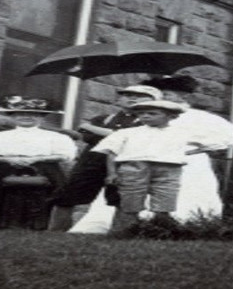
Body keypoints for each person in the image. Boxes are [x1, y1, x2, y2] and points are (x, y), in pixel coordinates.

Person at [47, 84, 160, 232]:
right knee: (67, 196)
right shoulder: (104, 118)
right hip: (92, 162)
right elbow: (85, 135)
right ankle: (56, 232)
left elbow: (127, 137)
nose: (132, 98)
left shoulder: (150, 122)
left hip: (127, 163)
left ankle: (121, 236)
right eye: (127, 95)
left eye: (140, 96)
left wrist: (91, 128)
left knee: (124, 200)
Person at [93, 99, 209, 233]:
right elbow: (111, 152)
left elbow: (212, 144)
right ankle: (125, 232)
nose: (145, 116)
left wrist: (184, 152)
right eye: (141, 113)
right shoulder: (128, 133)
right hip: (134, 167)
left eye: (152, 113)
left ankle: (161, 232)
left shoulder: (181, 133)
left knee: (165, 200)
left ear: (171, 116)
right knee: (130, 201)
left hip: (168, 169)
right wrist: (112, 173)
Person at [0, 96, 78, 230]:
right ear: (12, 116)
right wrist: (8, 159)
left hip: (45, 170)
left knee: (53, 195)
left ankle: (42, 224)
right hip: (4, 169)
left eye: (33, 114)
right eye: (20, 114)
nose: (26, 117)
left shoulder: (56, 137)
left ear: (42, 117)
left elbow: (66, 155)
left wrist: (37, 159)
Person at [144, 74, 233, 220]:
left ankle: (192, 222)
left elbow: (228, 137)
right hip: (157, 159)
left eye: (167, 94)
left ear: (182, 96)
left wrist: (199, 149)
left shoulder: (200, 117)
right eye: (160, 94)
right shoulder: (151, 117)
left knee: (191, 190)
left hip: (189, 161)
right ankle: (151, 221)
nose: (162, 97)